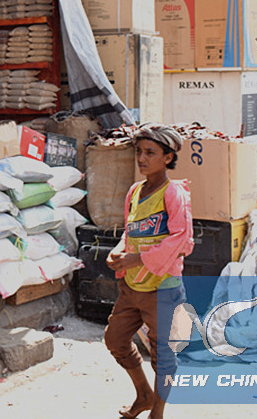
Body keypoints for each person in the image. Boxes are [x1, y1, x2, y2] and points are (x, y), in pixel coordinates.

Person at [105, 124, 194, 419]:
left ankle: (157, 410)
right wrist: (119, 250)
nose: (142, 158)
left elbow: (180, 238)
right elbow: (130, 232)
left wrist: (137, 259)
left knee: (163, 355)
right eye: (139, 152)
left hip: (163, 288)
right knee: (115, 340)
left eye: (150, 153)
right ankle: (143, 394)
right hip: (132, 287)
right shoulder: (135, 191)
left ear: (168, 158)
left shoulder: (174, 193)